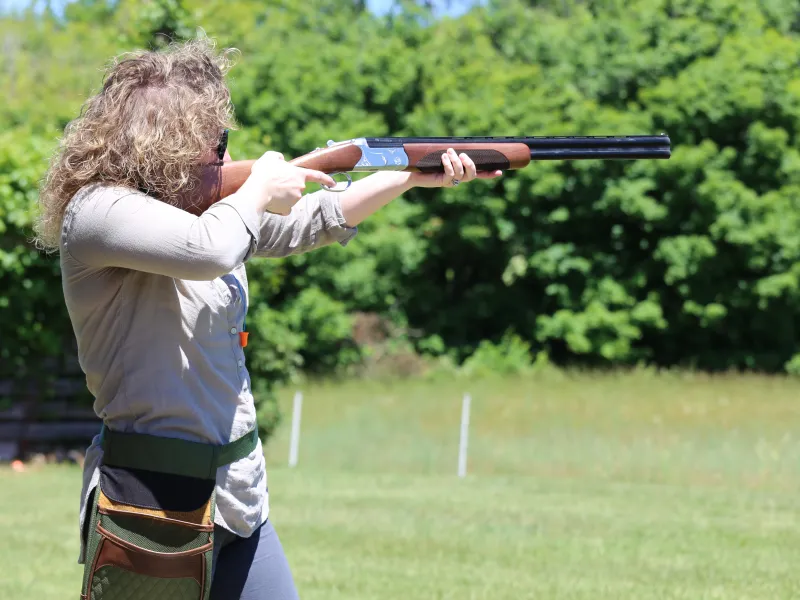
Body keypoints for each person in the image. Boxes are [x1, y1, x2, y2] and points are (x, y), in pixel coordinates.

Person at [34, 38, 501, 600]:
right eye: (215, 144)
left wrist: (407, 175)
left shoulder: (217, 210)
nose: (226, 156)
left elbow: (317, 216)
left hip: (238, 497)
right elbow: (208, 248)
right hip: (151, 507)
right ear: (165, 147)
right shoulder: (96, 212)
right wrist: (259, 186)